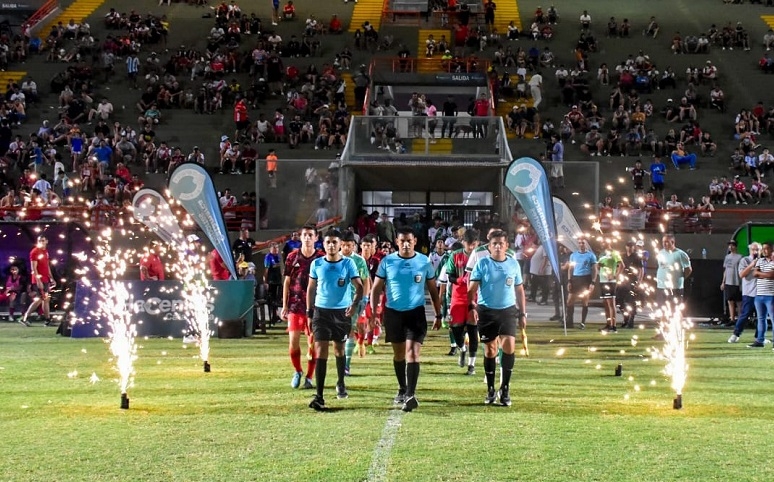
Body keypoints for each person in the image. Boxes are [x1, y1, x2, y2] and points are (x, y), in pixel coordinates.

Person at [370, 226, 442, 412]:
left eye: (409, 241)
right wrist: (374, 313)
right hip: (393, 314)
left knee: (413, 353)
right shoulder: (388, 261)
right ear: (397, 242)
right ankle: (402, 388)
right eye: (402, 241)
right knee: (399, 354)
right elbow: (376, 288)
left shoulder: (424, 261)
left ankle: (410, 394)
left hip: (416, 314)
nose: (406, 244)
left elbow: (433, 290)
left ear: (415, 242)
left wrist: (438, 314)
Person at [306, 229, 364, 411]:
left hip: (341, 314)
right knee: (320, 350)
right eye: (328, 242)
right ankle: (319, 395)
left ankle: (340, 382)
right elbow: (311, 288)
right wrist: (309, 312)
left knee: (339, 349)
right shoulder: (316, 264)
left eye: (334, 242)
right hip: (321, 313)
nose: (331, 245)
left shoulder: (348, 263)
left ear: (340, 244)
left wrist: (354, 305)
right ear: (323, 244)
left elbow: (359, 286)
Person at [468, 230, 527, 406]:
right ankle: (491, 389)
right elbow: (471, 289)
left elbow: (519, 290)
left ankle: (505, 388)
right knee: (490, 350)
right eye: (495, 244)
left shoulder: (513, 264)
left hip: (508, 311)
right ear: (489, 246)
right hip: (486, 311)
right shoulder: (482, 263)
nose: (498, 247)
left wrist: (522, 313)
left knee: (509, 347)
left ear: (506, 245)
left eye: (501, 243)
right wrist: (472, 307)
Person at [282, 224, 324, 389]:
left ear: (316, 238)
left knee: (312, 343)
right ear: (300, 237)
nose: (307, 238)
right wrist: (284, 305)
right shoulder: (292, 257)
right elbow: (287, 281)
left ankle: (309, 376)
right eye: (304, 235)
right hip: (295, 305)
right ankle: (298, 370)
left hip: (315, 307)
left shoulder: (321, 258)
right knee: (293, 342)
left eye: (310, 235)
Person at [441, 229, 480, 375]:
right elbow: (449, 276)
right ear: (463, 242)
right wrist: (460, 280)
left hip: (475, 296)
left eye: (474, 244)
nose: (471, 247)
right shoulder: (455, 255)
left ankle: (471, 365)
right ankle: (462, 348)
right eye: (469, 244)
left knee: (473, 328)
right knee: (455, 329)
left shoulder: (481, 256)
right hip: (458, 297)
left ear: (477, 243)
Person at [340, 231, 370, 376]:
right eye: (344, 245)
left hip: (354, 300)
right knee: (338, 333)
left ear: (354, 245)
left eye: (349, 245)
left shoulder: (359, 260)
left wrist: (365, 298)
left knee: (350, 330)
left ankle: (346, 364)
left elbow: (365, 280)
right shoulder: (334, 258)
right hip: (336, 301)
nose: (346, 248)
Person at [728, 242, 760, 344]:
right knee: (745, 314)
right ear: (750, 250)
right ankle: (736, 334)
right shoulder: (745, 260)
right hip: (749, 293)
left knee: (761, 316)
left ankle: (759, 337)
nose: (755, 252)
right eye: (753, 249)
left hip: (761, 293)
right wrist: (752, 265)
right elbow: (741, 274)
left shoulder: (763, 261)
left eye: (757, 250)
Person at [21, 235, 54, 326]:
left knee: (45, 299)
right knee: (40, 299)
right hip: (39, 279)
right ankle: (25, 317)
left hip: (45, 278)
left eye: (43, 240)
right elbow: (34, 268)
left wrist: (51, 277)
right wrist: (38, 281)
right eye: (40, 241)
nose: (41, 242)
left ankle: (47, 320)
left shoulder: (45, 252)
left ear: (46, 241)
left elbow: (47, 266)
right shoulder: (34, 252)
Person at [566, 238, 597, 329]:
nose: (581, 244)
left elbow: (595, 269)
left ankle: (583, 322)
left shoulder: (591, 255)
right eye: (579, 243)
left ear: (586, 244)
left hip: (586, 279)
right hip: (575, 278)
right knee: (570, 301)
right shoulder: (573, 255)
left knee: (585, 301)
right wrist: (569, 281)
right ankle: (569, 322)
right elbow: (570, 269)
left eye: (583, 243)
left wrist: (593, 282)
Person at [655, 234, 692, 312]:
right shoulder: (660, 253)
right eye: (663, 242)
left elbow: (688, 269)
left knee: (675, 311)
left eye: (666, 242)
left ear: (673, 242)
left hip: (675, 288)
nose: (664, 244)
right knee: (662, 311)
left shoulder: (681, 254)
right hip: (661, 287)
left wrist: (680, 278)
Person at [749, 241, 774, 348]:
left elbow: (772, 275)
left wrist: (761, 274)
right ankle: (760, 341)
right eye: (763, 248)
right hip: (759, 295)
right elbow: (754, 273)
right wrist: (765, 274)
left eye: (766, 248)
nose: (764, 250)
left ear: (772, 249)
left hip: (771, 295)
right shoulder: (760, 260)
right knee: (761, 319)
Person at [597, 239, 624, 332]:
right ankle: (608, 324)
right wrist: (599, 268)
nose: (601, 244)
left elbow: (622, 265)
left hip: (610, 282)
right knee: (605, 303)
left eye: (603, 242)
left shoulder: (614, 253)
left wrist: (615, 275)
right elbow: (599, 266)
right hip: (602, 280)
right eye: (601, 242)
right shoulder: (601, 254)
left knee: (611, 304)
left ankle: (613, 326)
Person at [619, 240, 644, 328]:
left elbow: (641, 269)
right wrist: (618, 277)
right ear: (626, 247)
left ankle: (631, 320)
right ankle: (626, 316)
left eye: (631, 246)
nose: (629, 248)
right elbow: (621, 267)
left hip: (633, 280)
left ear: (633, 247)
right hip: (623, 280)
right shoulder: (623, 256)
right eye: (628, 246)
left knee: (631, 300)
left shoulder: (637, 257)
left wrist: (639, 281)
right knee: (619, 299)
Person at [721, 240, 743, 324]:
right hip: (728, 282)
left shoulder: (740, 257)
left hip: (737, 282)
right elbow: (726, 270)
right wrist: (723, 282)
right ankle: (732, 319)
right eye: (729, 245)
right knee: (730, 301)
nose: (730, 247)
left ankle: (740, 319)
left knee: (739, 302)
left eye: (732, 245)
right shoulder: (727, 257)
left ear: (735, 246)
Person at [263, 242, 283, 325]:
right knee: (272, 299)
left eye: (277, 248)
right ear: (270, 249)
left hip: (278, 281)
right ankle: (273, 316)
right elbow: (266, 270)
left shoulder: (278, 256)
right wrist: (265, 282)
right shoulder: (268, 257)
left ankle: (276, 315)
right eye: (274, 248)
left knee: (277, 299)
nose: (276, 249)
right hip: (271, 282)